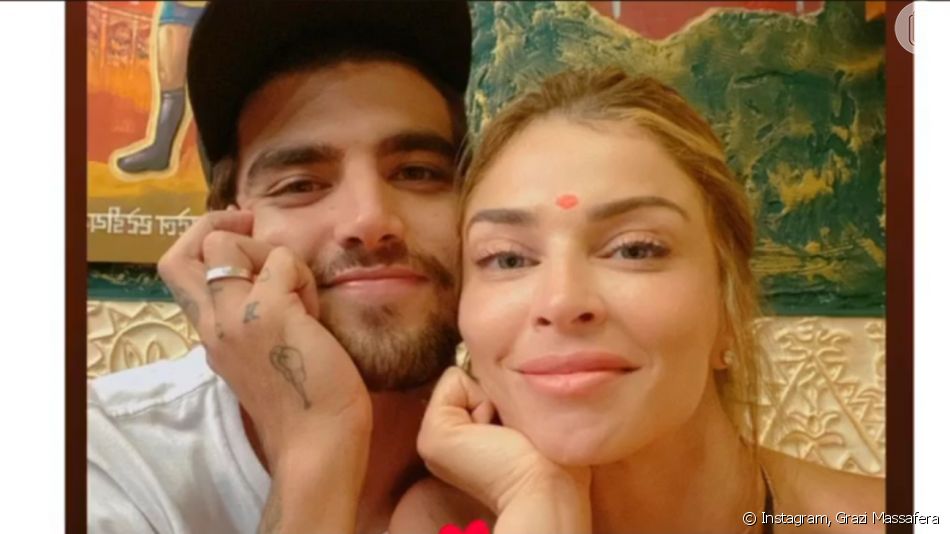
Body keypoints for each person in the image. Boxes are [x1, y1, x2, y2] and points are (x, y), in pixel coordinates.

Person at [405, 68, 885, 533]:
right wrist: (538, 498)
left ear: (728, 307)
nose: (562, 301)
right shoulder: (433, 524)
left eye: (635, 250)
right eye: (508, 259)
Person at [87, 2, 489, 533]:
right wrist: (316, 448)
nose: (370, 220)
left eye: (417, 172)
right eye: (300, 184)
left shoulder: (550, 440)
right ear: (225, 235)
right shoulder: (103, 462)